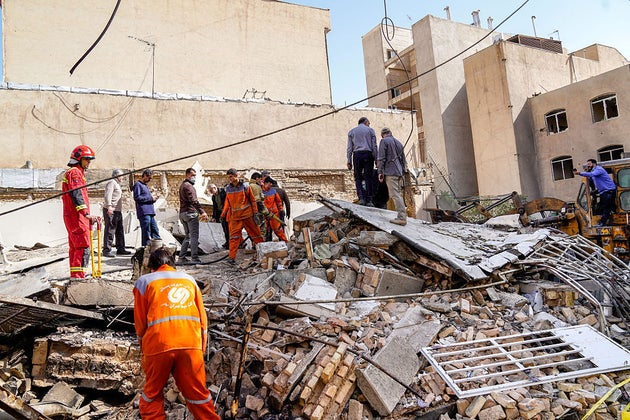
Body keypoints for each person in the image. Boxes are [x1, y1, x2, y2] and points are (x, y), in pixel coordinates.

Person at [133, 247, 220, 420]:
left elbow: (140, 322)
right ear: (173, 264)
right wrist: (200, 347)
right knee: (198, 395)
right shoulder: (189, 280)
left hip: (158, 345)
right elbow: (203, 319)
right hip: (191, 345)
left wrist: (142, 346)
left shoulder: (144, 282)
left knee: (152, 395)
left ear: (152, 266)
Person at [62, 145, 100, 278]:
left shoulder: (75, 172)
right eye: (87, 159)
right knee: (83, 246)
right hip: (77, 217)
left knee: (75, 247)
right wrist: (86, 214)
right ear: (79, 159)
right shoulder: (75, 173)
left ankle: (75, 277)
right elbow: (76, 193)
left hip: (74, 216)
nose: (89, 162)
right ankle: (79, 278)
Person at [220, 168, 264, 264]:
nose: (230, 179)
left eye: (231, 176)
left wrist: (255, 213)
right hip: (235, 218)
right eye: (229, 177)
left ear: (236, 175)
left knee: (256, 235)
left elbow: (252, 200)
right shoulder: (228, 188)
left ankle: (265, 254)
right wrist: (223, 214)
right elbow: (227, 203)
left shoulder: (245, 186)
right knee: (233, 238)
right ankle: (231, 258)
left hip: (248, 216)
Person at [377, 127, 408, 226]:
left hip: (391, 172)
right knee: (399, 194)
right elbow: (403, 160)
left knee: (395, 195)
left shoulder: (384, 141)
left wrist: (380, 171)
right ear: (391, 133)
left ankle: (402, 218)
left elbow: (381, 158)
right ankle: (402, 215)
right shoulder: (399, 143)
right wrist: (403, 172)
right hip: (399, 172)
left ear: (382, 135)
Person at [573, 159, 617, 226]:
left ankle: (602, 222)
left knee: (606, 207)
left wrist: (579, 173)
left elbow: (591, 174)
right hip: (603, 191)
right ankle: (607, 219)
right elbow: (590, 180)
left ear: (594, 164)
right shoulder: (593, 172)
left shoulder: (599, 169)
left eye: (589, 164)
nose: (588, 165)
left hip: (608, 191)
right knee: (602, 206)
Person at [178, 168, 207, 263]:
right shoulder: (189, 186)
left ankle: (181, 257)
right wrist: (202, 212)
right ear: (187, 175)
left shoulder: (182, 185)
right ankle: (194, 258)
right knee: (194, 236)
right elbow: (194, 201)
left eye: (195, 175)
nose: (194, 177)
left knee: (188, 236)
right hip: (190, 213)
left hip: (183, 214)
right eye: (192, 175)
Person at [347, 117, 378, 206]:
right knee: (368, 176)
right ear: (366, 122)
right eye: (369, 123)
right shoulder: (370, 131)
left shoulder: (352, 132)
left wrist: (349, 160)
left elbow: (349, 148)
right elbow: (374, 146)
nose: (369, 125)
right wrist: (376, 159)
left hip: (357, 155)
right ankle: (369, 200)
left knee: (358, 177)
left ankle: (361, 198)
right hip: (368, 154)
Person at [102, 169, 130, 257]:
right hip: (111, 209)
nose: (122, 177)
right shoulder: (111, 182)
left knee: (119, 230)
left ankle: (120, 248)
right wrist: (109, 206)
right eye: (121, 175)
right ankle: (106, 250)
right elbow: (108, 195)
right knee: (110, 230)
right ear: (117, 176)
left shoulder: (117, 184)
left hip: (118, 210)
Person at [133, 169, 161, 246]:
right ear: (145, 175)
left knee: (155, 229)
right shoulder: (138, 185)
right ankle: (145, 248)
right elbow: (137, 198)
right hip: (144, 212)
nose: (149, 180)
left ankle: (157, 247)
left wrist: (153, 199)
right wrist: (150, 199)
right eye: (149, 178)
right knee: (146, 231)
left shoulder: (145, 186)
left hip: (150, 212)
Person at [262, 176, 289, 242]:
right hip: (265, 215)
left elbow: (279, 202)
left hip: (274, 215)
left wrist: (281, 210)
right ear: (266, 183)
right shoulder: (260, 191)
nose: (271, 185)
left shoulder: (273, 191)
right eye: (270, 183)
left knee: (278, 230)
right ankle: (267, 246)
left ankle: (285, 242)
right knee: (267, 232)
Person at [208, 183, 229, 249]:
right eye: (210, 191)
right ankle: (227, 241)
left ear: (214, 188)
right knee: (224, 228)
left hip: (227, 212)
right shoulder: (214, 197)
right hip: (221, 214)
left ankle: (230, 242)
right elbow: (215, 207)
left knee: (228, 228)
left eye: (211, 191)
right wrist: (214, 217)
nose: (211, 192)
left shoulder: (223, 192)